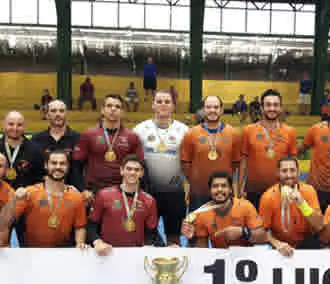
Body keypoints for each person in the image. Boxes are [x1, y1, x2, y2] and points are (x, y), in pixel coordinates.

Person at [133, 90, 189, 245]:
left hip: (174, 192)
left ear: (173, 106)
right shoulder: (139, 130)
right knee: (146, 237)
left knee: (174, 238)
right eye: (159, 101)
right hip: (147, 193)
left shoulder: (184, 131)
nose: (163, 105)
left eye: (167, 101)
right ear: (153, 105)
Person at [1, 150, 88, 248]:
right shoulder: (30, 192)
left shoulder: (76, 197)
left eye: (62, 163)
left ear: (68, 166)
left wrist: (80, 243)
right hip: (31, 253)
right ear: (46, 165)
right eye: (54, 163)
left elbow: (80, 227)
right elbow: (5, 221)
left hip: (62, 254)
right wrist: (14, 200)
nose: (58, 167)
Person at [72, 94, 144, 206]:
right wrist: (82, 190)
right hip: (93, 193)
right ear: (102, 110)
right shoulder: (88, 134)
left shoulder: (132, 137)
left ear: (122, 112)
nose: (113, 109)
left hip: (122, 192)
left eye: (117, 107)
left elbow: (140, 167)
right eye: (109, 105)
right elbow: (76, 165)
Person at [86, 155, 165, 255]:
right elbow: (91, 225)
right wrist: (97, 242)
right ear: (121, 171)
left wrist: (167, 249)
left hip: (134, 255)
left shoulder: (149, 200)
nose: (132, 172)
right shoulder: (104, 195)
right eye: (129, 169)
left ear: (141, 173)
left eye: (136, 170)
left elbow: (152, 233)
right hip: (108, 254)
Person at [181, 95, 241, 212]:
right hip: (199, 193)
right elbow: (186, 164)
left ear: (222, 110)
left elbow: (235, 165)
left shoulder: (234, 134)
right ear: (203, 110)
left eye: (216, 107)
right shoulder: (191, 134)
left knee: (224, 228)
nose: (212, 110)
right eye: (208, 107)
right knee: (198, 228)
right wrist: (196, 183)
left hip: (224, 192)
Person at [240, 89, 296, 209]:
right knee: (253, 226)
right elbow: (243, 162)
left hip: (281, 190)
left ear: (280, 108)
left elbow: (294, 163)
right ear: (261, 108)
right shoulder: (248, 130)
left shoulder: (290, 132)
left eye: (275, 105)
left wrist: (294, 187)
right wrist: (240, 188)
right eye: (268, 105)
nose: (272, 108)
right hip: (253, 190)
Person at [181, 171, 267, 248]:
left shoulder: (246, 206)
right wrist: (192, 238)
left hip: (246, 258)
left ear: (230, 190)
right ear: (210, 191)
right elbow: (202, 250)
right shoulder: (202, 213)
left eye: (224, 186)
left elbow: (263, 237)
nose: (219, 189)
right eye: (215, 186)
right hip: (221, 261)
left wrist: (242, 232)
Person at [259, 157, 324, 257]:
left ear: (298, 173)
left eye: (292, 170)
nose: (289, 175)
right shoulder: (268, 197)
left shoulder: (309, 191)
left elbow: (319, 226)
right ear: (278, 173)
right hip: (279, 244)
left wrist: (302, 204)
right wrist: (276, 243)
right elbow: (262, 232)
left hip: (304, 242)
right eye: (284, 171)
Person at [0, 111, 46, 189]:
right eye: (11, 124)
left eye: (19, 125)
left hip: (26, 199)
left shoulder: (35, 150)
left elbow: (42, 179)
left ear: (24, 126)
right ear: (4, 125)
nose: (15, 128)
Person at [31, 100, 81, 186]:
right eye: (53, 111)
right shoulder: (36, 139)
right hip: (43, 193)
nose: (58, 114)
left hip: (73, 192)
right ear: (47, 115)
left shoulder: (79, 139)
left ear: (66, 114)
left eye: (61, 111)